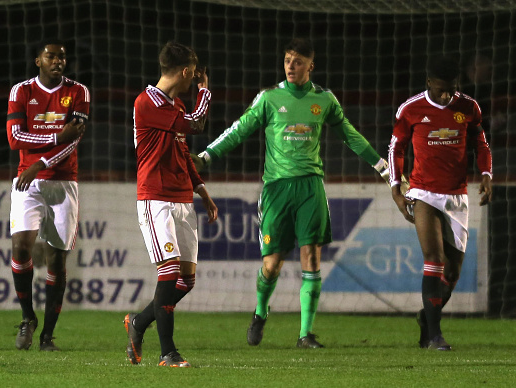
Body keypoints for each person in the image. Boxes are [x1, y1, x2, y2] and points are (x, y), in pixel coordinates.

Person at [194, 38, 390, 348]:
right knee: (272, 264)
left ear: (310, 66)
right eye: (287, 60)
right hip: (277, 189)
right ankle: (260, 313)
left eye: (297, 62)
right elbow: (238, 130)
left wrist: (383, 167)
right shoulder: (269, 98)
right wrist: (206, 157)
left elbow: (350, 136)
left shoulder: (324, 100)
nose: (290, 66)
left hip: (310, 186)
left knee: (311, 256)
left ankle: (305, 334)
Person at [388, 55, 492, 351]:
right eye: (440, 89)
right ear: (429, 83)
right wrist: (397, 188)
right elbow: (397, 147)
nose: (446, 95)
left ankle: (427, 316)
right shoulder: (411, 109)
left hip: (457, 196)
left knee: (453, 272)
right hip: (423, 194)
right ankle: (435, 336)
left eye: (451, 89)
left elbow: (481, 144)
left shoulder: (469, 108)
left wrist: (486, 174)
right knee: (434, 259)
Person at [124, 41, 218, 367]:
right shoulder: (147, 102)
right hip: (155, 198)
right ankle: (168, 353)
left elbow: (182, 151)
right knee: (169, 271)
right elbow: (196, 123)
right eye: (194, 77)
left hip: (182, 197)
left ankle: (138, 322)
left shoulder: (174, 104)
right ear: (186, 72)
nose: (194, 82)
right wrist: (206, 92)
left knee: (186, 279)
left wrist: (202, 191)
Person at [7, 40, 90, 351]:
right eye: (51, 56)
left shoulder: (79, 92)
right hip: (27, 182)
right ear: (38, 61)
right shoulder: (22, 92)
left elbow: (73, 142)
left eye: (62, 57)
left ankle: (47, 337)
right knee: (20, 246)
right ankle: (28, 319)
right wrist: (56, 135)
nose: (58, 61)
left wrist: (40, 160)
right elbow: (15, 139)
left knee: (56, 258)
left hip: (63, 182)